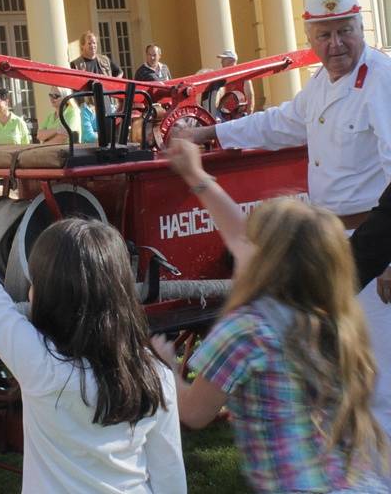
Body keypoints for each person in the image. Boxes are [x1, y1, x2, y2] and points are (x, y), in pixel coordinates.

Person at [0, 116, 187, 493]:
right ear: (120, 291)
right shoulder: (154, 375)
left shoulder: (41, 366)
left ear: (45, 295)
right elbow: (170, 479)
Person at [174, 0, 391, 446]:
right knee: (345, 371)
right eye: (325, 34)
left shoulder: (382, 81)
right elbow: (278, 123)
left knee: (379, 377)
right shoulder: (322, 84)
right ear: (311, 38)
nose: (336, 44)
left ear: (361, 30)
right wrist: (211, 131)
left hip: (372, 250)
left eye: (344, 32)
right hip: (333, 248)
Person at [153, 139, 388, 493]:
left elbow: (195, 412)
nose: (238, 243)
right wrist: (195, 175)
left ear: (264, 261)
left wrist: (167, 369)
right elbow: (237, 234)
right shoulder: (334, 317)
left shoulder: (245, 331)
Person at [214, 50, 254, 117]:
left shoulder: (244, 77)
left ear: (231, 60)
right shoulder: (224, 79)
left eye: (224, 60)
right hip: (227, 116)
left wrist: (248, 117)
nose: (221, 62)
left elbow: (250, 98)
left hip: (241, 116)